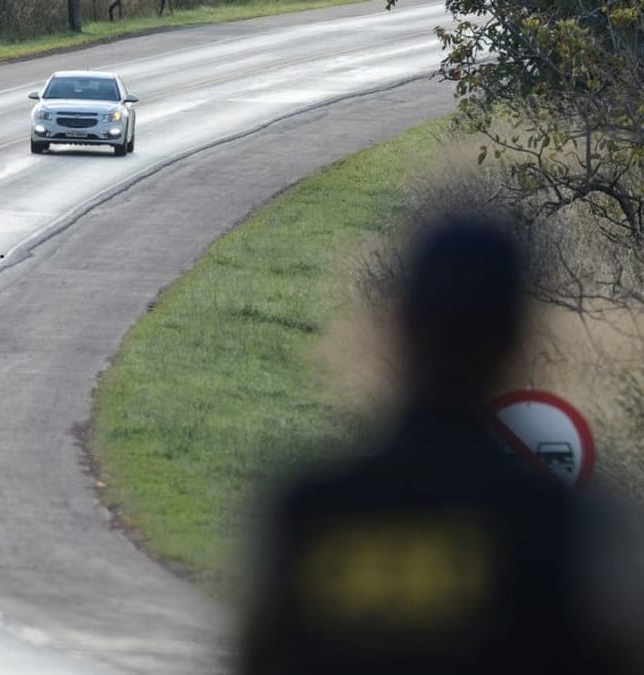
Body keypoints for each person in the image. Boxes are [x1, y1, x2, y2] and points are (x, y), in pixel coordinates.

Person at [235, 212, 644, 675]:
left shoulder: (309, 512)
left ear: (402, 325)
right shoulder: (573, 528)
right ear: (516, 338)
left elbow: (259, 651)